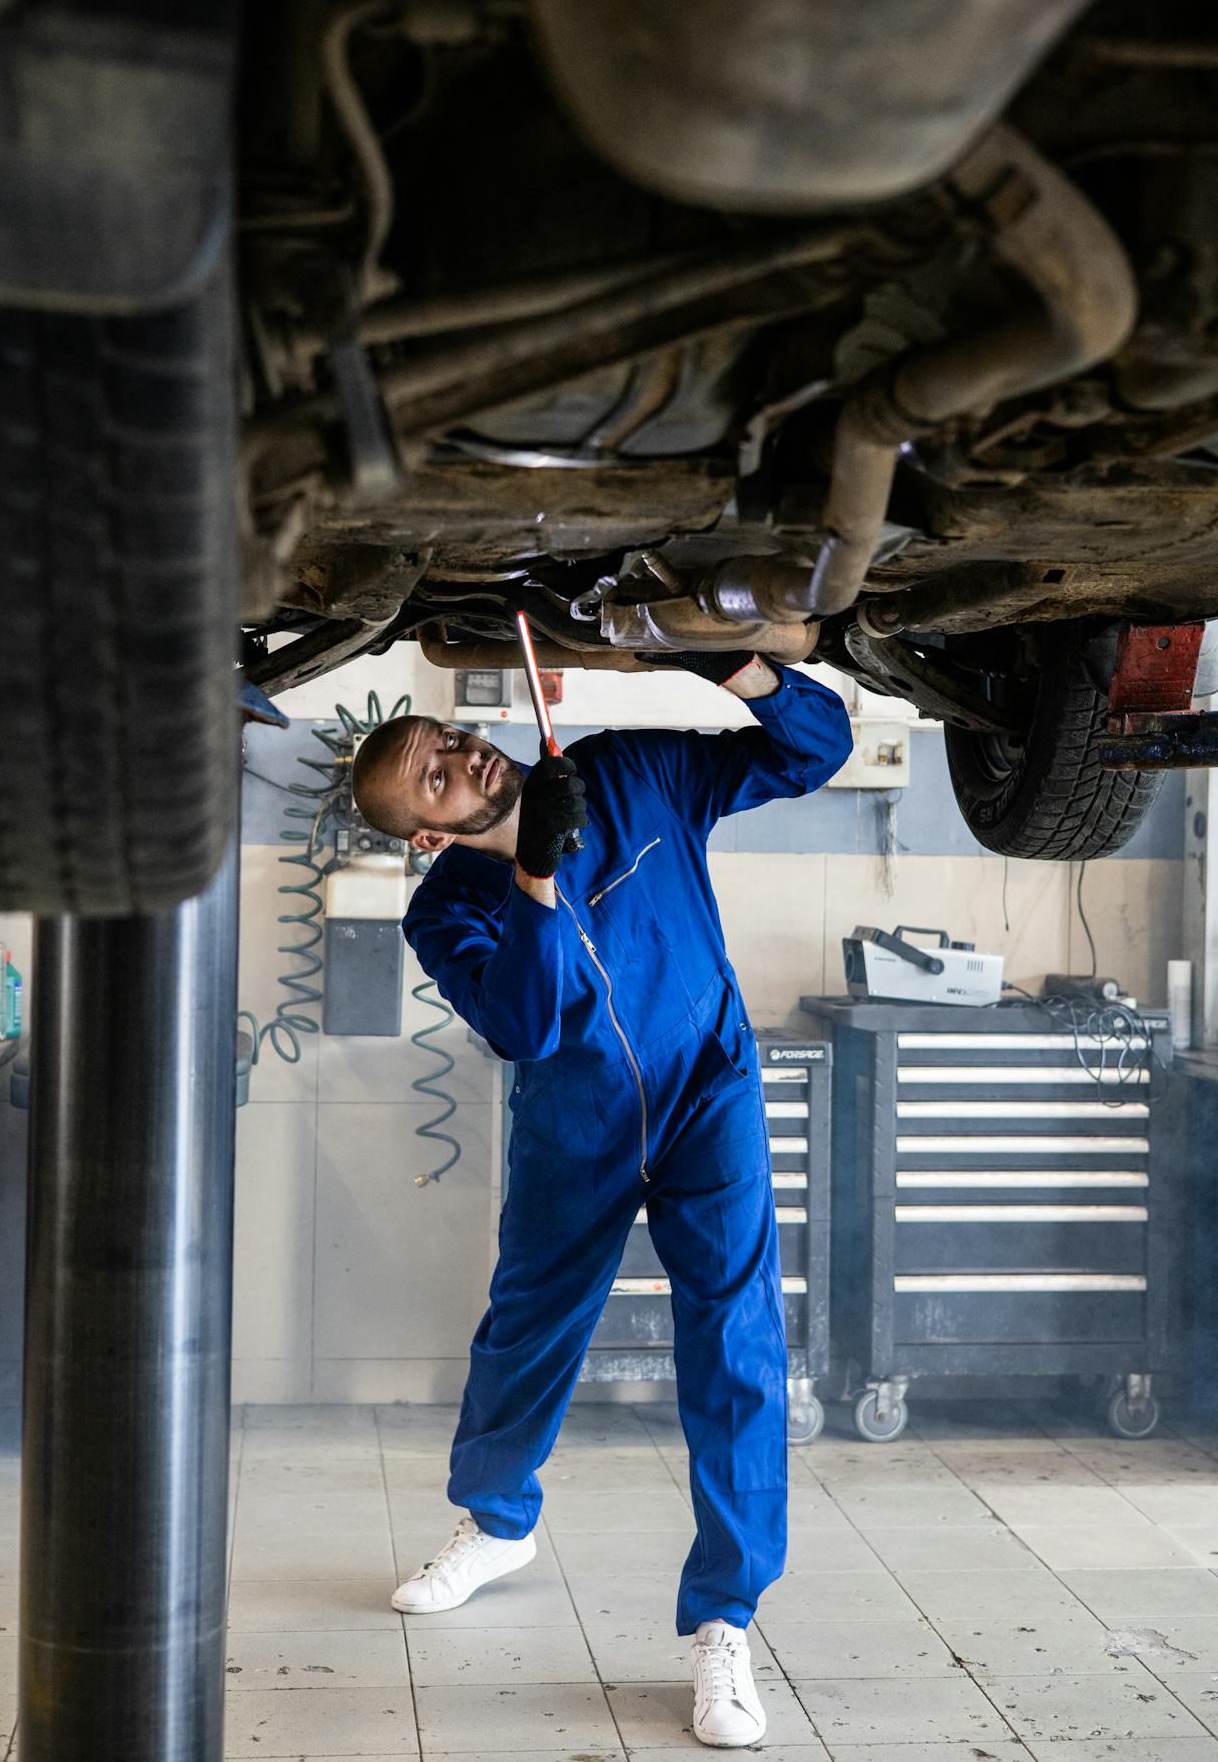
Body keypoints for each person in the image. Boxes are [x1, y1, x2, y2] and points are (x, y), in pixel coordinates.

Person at [351, 649, 852, 1749]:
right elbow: (527, 1025)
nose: (457, 755)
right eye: (432, 777)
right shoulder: (442, 913)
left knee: (733, 1341)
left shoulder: (627, 773)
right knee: (528, 1326)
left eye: (444, 738)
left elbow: (816, 749)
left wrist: (732, 665)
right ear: (427, 836)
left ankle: (725, 1619)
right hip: (574, 1130)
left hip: (703, 1089)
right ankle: (495, 1523)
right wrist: (535, 876)